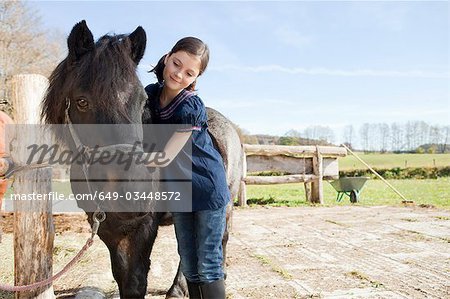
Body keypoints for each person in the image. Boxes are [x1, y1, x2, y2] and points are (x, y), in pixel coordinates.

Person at [143, 37, 229, 299]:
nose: (178, 74)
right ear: (167, 57)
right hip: (180, 191)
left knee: (208, 263)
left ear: (196, 78)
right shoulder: (150, 95)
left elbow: (166, 155)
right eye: (176, 64)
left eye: (189, 72)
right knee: (189, 262)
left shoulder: (191, 105)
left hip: (206, 188)